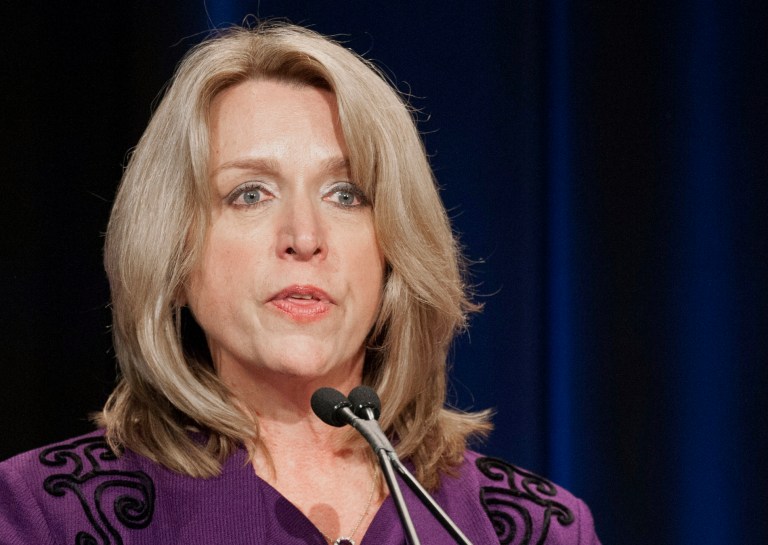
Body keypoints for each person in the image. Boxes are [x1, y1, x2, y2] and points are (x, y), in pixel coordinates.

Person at [0, 22, 600, 544]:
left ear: (394, 253)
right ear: (173, 255)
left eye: (346, 194)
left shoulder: (531, 528)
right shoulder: (49, 514)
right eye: (250, 194)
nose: (304, 237)